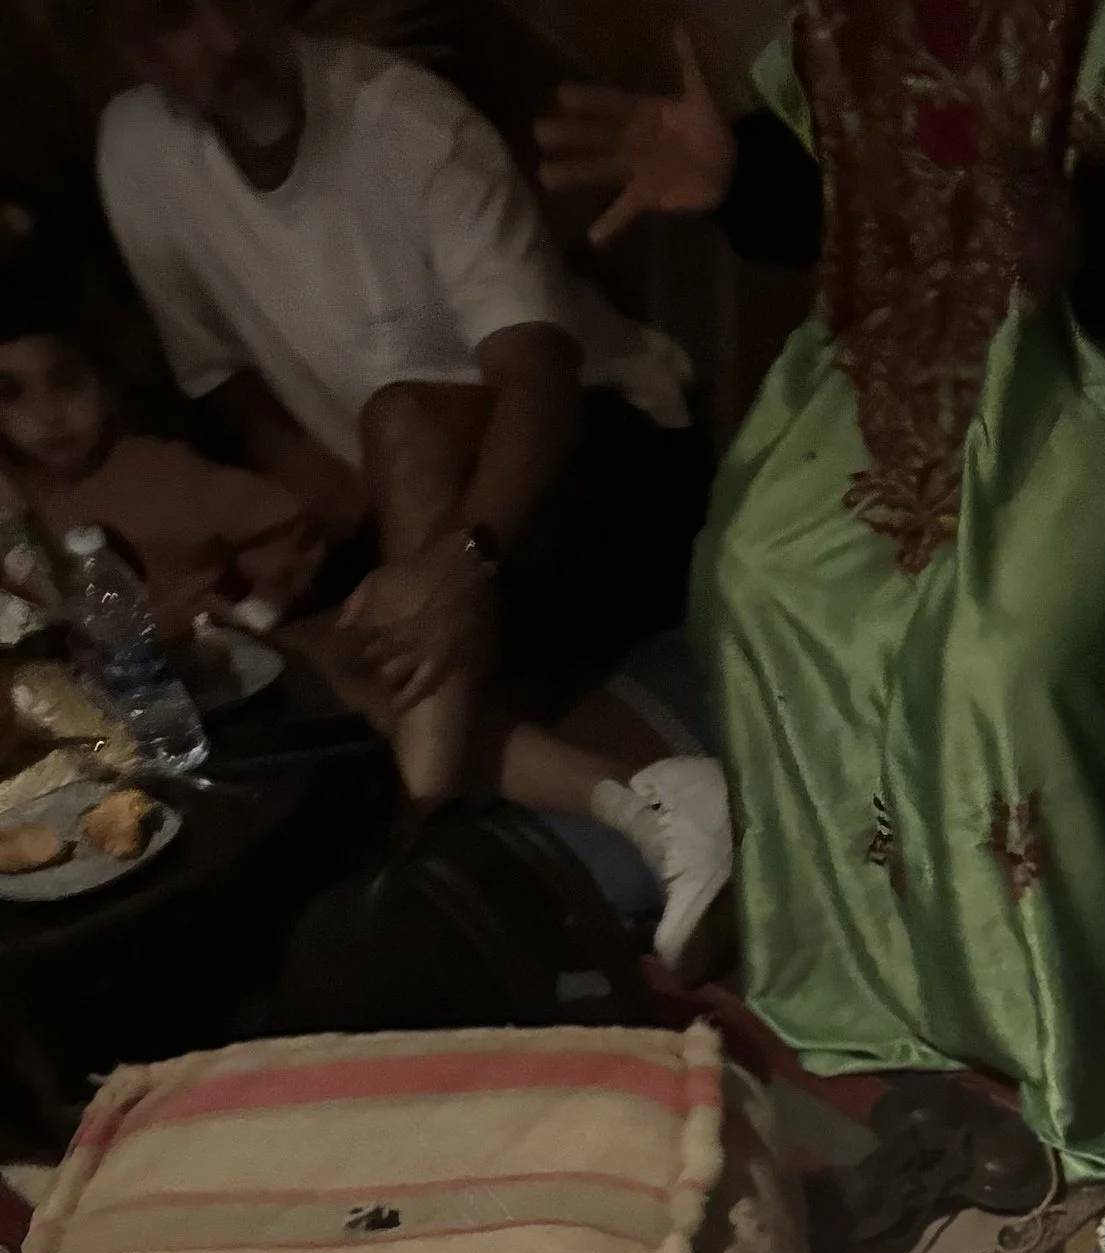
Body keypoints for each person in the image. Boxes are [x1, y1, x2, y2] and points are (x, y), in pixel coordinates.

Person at [539, 11, 1105, 1181]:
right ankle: (875, 991)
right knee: (764, 578)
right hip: (892, 359)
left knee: (1003, 652)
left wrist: (1084, 234)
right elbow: (858, 183)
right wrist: (740, 177)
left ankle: (1068, 1029)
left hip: (1102, 370)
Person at [96, 0, 732, 966]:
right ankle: (643, 798)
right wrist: (301, 480)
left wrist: (462, 561)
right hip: (412, 502)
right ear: (129, 45)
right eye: (178, 20)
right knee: (264, 669)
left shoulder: (411, 125)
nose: (224, 40)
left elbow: (539, 377)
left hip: (596, 468)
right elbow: (215, 370)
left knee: (401, 421)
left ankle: (419, 843)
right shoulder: (137, 149)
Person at [0, 251, 320, 640]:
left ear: (107, 386)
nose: (48, 414)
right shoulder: (15, 499)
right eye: (11, 394)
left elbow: (284, 525)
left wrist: (250, 608)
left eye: (67, 383)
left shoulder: (163, 473)